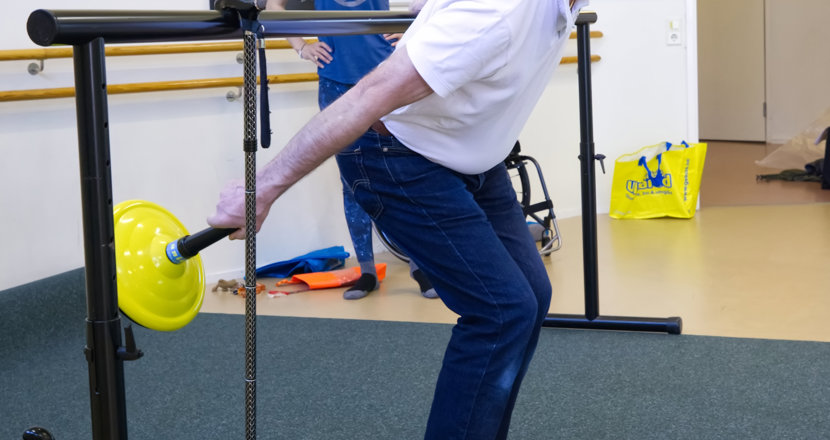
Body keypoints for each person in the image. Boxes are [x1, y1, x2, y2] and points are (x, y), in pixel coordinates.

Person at [209, 0, 588, 438]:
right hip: (397, 155)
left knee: (532, 295)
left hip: (470, 154)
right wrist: (262, 187)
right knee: (501, 311)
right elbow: (367, 96)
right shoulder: (496, 12)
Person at [268, 0, 436, 300]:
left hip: (387, 74)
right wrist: (301, 47)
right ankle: (367, 270)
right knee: (352, 180)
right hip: (336, 82)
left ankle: (418, 266)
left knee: (400, 174)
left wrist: (416, 31)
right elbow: (273, 4)